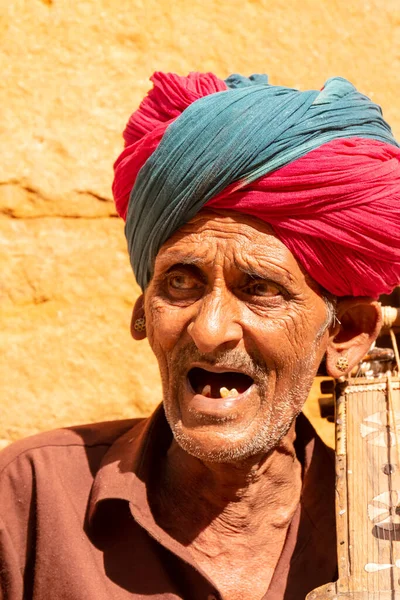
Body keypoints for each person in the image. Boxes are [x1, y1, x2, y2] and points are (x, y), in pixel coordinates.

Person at [1, 72, 400, 600]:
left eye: (260, 289)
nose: (210, 331)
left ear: (343, 335)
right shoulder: (29, 496)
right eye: (181, 282)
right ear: (143, 313)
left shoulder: (384, 536)